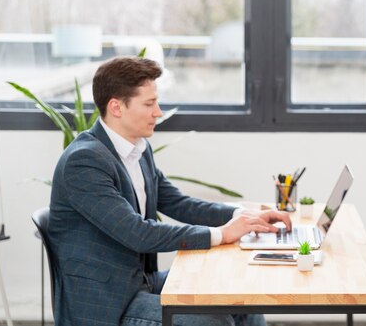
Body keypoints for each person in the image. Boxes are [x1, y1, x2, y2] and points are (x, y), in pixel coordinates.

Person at [48, 56, 292, 326]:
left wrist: (244, 216)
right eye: (149, 104)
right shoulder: (84, 162)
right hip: (108, 303)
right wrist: (221, 234)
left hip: (141, 283)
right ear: (116, 107)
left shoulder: (137, 149)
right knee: (213, 322)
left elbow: (177, 202)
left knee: (242, 301)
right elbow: (137, 232)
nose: (158, 112)